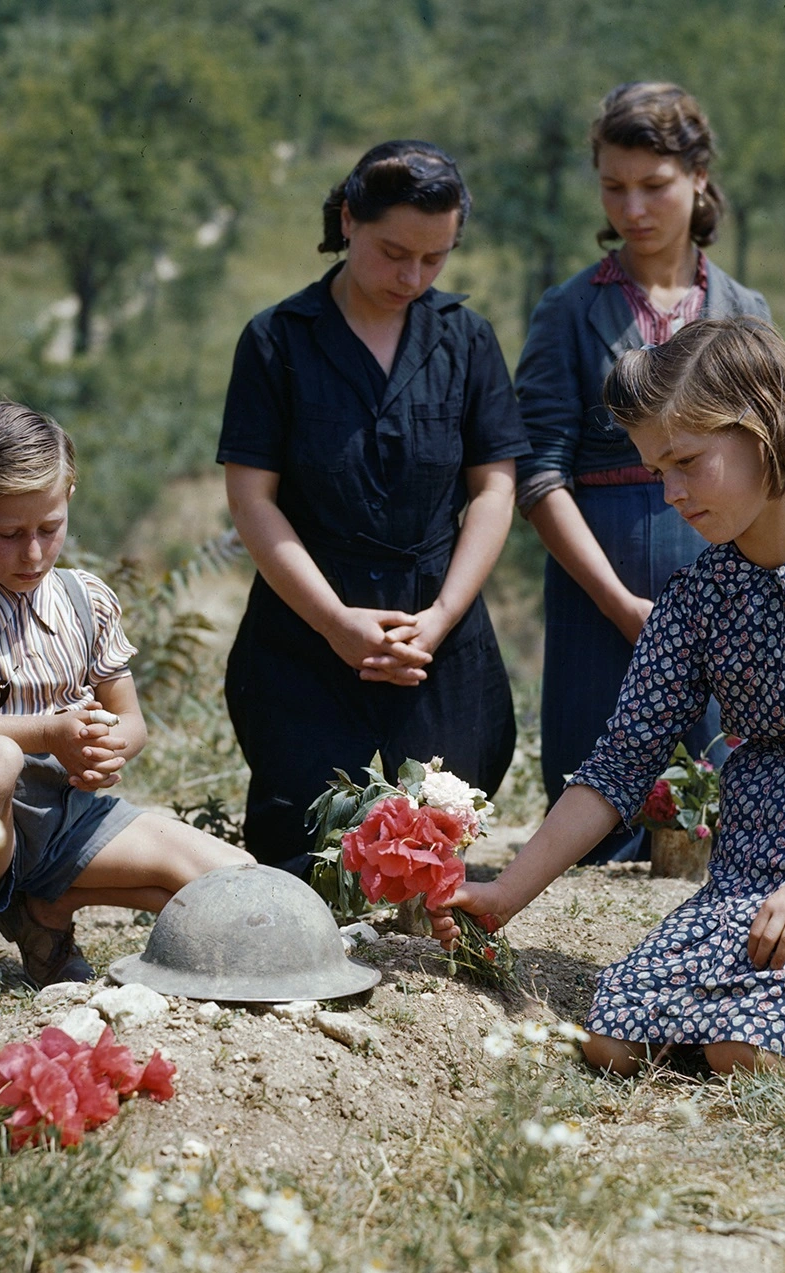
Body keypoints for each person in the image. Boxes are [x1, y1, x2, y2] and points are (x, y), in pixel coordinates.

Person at [435, 317, 785, 1074]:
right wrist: (504, 894)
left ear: (764, 428)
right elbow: (621, 763)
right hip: (753, 870)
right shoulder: (697, 599)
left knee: (743, 1053)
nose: (671, 494)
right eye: (658, 469)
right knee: (613, 1041)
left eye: (688, 462)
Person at [218, 140, 532, 872]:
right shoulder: (276, 341)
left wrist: (442, 618)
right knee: (301, 850)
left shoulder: (466, 338)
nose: (412, 276)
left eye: (434, 258)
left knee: (443, 827)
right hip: (305, 627)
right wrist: (335, 623)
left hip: (434, 627)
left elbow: (494, 487)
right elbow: (251, 499)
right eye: (394, 252)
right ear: (348, 218)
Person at [0, 402, 249, 1027]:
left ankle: (43, 915)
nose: (32, 553)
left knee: (233, 878)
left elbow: (129, 719)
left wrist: (108, 748)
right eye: (9, 534)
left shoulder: (88, 600)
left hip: (67, 818)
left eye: (49, 528)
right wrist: (47, 733)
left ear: (69, 500)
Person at [515, 82, 773, 864]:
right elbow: (538, 474)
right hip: (602, 591)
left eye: (653, 185)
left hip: (722, 585)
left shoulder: (743, 310)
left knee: (713, 814)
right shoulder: (566, 311)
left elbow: (769, 461)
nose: (633, 208)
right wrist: (623, 605)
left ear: (698, 177)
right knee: (601, 806)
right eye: (613, 186)